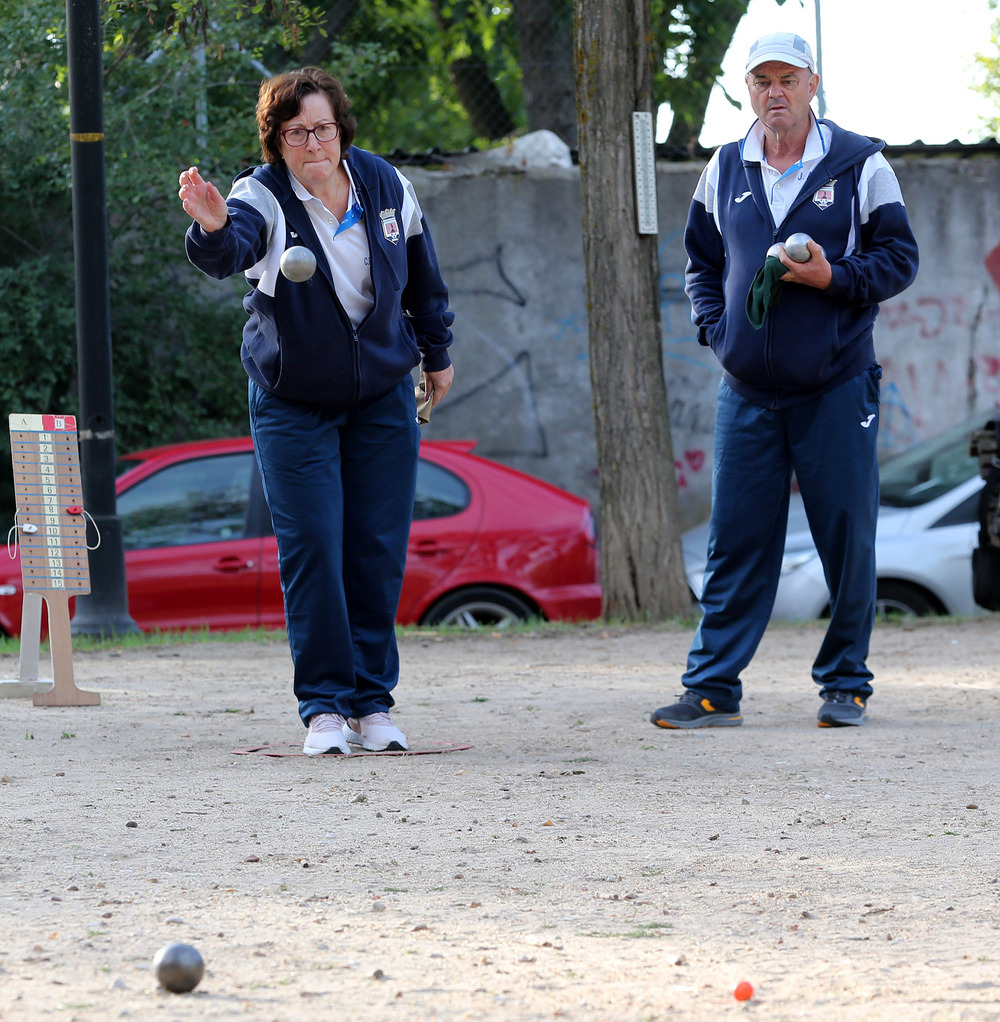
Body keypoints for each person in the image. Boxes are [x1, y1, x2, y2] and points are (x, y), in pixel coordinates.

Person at [178, 67, 454, 755]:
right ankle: (324, 708)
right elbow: (232, 245)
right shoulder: (261, 196)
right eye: (295, 132)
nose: (312, 144)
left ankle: (372, 704)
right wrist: (212, 228)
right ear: (276, 138)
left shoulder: (387, 186)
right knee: (313, 549)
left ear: (341, 128)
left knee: (376, 549)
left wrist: (437, 353)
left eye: (322, 129)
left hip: (381, 398)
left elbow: (423, 275)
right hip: (292, 402)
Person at [651, 32, 918, 730]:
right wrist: (718, 333)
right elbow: (701, 265)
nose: (776, 92)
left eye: (788, 79)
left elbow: (899, 261)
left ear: (812, 84)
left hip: (836, 385)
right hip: (746, 391)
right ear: (748, 88)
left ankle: (845, 684)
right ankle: (712, 689)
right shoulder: (726, 167)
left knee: (845, 536)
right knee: (734, 541)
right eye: (762, 80)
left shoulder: (861, 164)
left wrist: (836, 277)